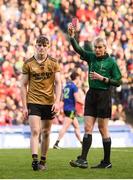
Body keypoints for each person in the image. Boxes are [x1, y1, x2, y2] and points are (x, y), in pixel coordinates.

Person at [67, 23, 122, 169]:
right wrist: (72, 37)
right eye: (96, 47)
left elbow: (118, 81)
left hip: (104, 95)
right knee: (87, 127)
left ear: (105, 48)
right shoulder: (91, 57)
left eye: (100, 47)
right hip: (91, 94)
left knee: (103, 129)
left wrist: (102, 78)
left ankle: (106, 161)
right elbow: (78, 49)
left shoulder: (111, 62)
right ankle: (83, 159)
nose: (97, 50)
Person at [20, 35, 62, 171]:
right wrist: (24, 106)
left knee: (46, 132)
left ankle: (43, 161)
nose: (41, 48)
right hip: (33, 101)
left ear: (48, 47)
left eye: (44, 45)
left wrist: (57, 101)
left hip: (49, 102)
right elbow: (23, 85)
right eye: (39, 45)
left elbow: (58, 83)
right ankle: (34, 160)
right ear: (35, 46)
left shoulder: (54, 63)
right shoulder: (28, 63)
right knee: (35, 130)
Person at [53, 71, 83, 149]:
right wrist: (85, 102)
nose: (79, 80)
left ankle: (82, 143)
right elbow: (77, 99)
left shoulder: (66, 86)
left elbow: (63, 98)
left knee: (76, 126)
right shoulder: (74, 87)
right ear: (76, 78)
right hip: (71, 109)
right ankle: (56, 143)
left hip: (67, 108)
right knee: (65, 127)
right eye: (79, 78)